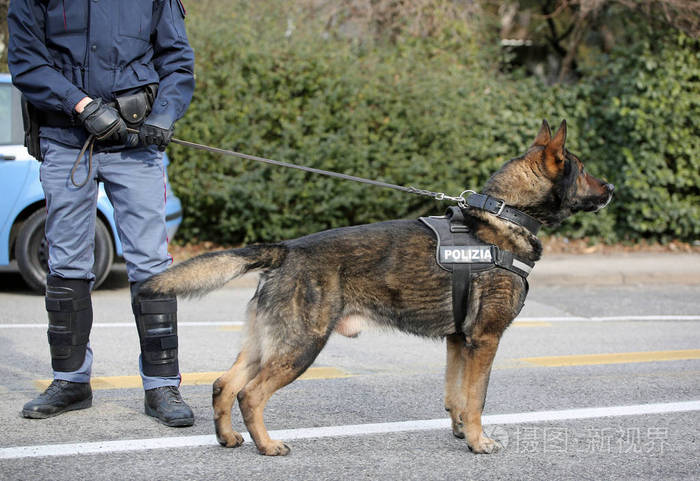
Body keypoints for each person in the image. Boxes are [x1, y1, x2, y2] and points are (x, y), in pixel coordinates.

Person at [7, 0, 196, 427]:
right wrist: (82, 106)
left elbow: (177, 61)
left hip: (136, 145)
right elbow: (25, 60)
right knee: (67, 264)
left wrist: (164, 115)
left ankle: (162, 385)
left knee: (151, 265)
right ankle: (71, 381)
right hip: (65, 139)